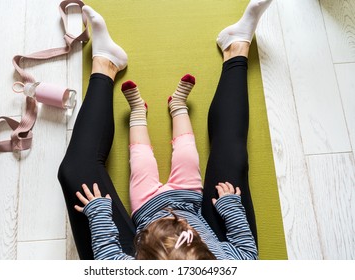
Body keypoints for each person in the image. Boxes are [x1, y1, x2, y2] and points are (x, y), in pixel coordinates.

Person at [58, 0, 273, 260]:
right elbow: (247, 253)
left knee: (75, 174)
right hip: (202, 245)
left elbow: (108, 257)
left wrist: (100, 213)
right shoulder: (231, 261)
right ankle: (236, 47)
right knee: (232, 163)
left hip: (152, 232)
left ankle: (105, 63)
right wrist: (229, 207)